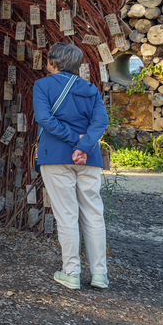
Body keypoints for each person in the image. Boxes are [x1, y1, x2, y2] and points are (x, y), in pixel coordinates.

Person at [32, 42, 111, 291]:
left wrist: (73, 141)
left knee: (67, 215)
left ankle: (72, 273)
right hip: (90, 159)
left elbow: (44, 118)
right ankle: (100, 275)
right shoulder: (90, 88)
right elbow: (101, 122)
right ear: (77, 66)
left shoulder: (42, 85)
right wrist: (84, 145)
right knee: (94, 214)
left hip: (55, 156)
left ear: (52, 63)